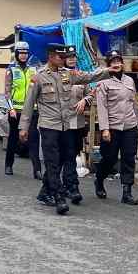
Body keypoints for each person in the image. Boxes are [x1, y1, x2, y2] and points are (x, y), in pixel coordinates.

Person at [20, 43, 120, 215]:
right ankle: (59, 197)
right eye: (61, 57)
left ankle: (45, 192)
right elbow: (28, 105)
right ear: (51, 56)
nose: (64, 60)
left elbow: (88, 77)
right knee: (52, 163)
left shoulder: (68, 74)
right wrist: (24, 128)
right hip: (49, 127)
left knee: (65, 159)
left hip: (66, 127)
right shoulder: (38, 78)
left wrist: (108, 71)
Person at [94, 50, 138, 206]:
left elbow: (133, 103)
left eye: (118, 61)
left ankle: (127, 192)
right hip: (112, 127)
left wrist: (137, 124)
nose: (116, 64)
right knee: (110, 158)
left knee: (129, 158)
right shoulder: (103, 82)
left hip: (129, 126)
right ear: (109, 64)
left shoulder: (129, 81)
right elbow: (102, 107)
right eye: (113, 61)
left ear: (122, 63)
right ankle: (99, 180)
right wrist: (105, 129)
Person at [4, 41, 42, 178]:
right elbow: (7, 92)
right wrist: (11, 108)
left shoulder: (34, 69)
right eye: (21, 53)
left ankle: (37, 170)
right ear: (16, 54)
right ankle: (8, 165)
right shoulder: (11, 69)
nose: (24, 56)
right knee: (13, 138)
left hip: (32, 110)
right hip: (16, 111)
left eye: (26, 53)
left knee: (34, 139)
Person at [61, 47, 92, 205]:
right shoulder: (59, 75)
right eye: (69, 57)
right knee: (68, 156)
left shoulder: (81, 75)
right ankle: (73, 187)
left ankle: (66, 185)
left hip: (79, 123)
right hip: (64, 123)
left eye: (74, 57)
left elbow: (91, 93)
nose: (72, 59)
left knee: (72, 156)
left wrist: (85, 100)